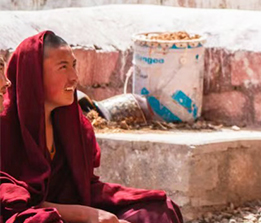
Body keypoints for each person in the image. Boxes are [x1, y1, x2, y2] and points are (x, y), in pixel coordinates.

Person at [1, 32, 183, 223]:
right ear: (34, 74)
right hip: (38, 217)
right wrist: (86, 215)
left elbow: (83, 188)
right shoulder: (5, 126)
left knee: (158, 209)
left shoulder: (72, 125)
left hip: (69, 210)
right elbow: (14, 204)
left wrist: (108, 215)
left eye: (74, 66)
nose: (74, 78)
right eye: (63, 67)